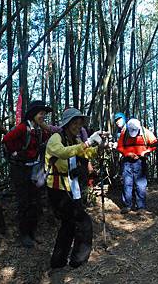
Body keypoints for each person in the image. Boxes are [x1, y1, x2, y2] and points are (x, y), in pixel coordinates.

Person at [45, 108, 103, 268]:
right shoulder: (56, 138)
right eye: (74, 123)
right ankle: (78, 260)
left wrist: (99, 146)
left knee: (68, 224)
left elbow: (86, 153)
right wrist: (87, 142)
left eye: (79, 123)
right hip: (57, 189)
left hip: (70, 187)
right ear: (67, 123)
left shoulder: (74, 139)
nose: (78, 126)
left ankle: (58, 262)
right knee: (83, 221)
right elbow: (63, 153)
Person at [2, 100, 52, 248]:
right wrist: (17, 152)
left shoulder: (40, 129)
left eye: (44, 113)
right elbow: (6, 139)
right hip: (20, 169)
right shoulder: (23, 128)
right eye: (40, 113)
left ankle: (32, 232)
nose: (43, 115)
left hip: (35, 169)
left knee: (35, 202)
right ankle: (24, 234)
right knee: (24, 202)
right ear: (32, 114)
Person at [116, 118, 157, 214]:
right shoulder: (124, 133)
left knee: (141, 185)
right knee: (127, 183)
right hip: (127, 161)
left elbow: (154, 144)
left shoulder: (146, 133)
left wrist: (146, 152)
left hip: (140, 161)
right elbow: (119, 146)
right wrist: (127, 153)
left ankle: (141, 207)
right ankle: (127, 205)